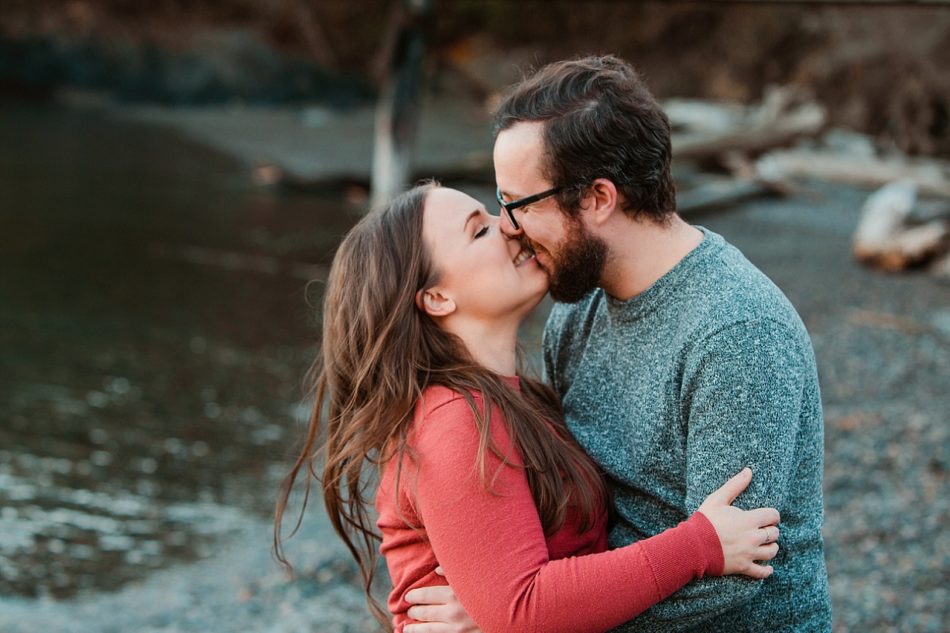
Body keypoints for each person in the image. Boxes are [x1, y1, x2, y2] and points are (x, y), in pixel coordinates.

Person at [417, 55, 831, 631]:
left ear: (597, 199)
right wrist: (503, 594)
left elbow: (732, 576)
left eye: (517, 203)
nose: (507, 226)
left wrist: (515, 621)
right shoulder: (578, 308)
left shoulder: (737, 334)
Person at [273, 182, 784, 633]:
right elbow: (521, 605)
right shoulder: (454, 420)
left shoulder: (520, 399)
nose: (511, 227)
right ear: (436, 299)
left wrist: (497, 610)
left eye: (495, 213)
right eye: (480, 232)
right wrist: (698, 546)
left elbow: (516, 602)